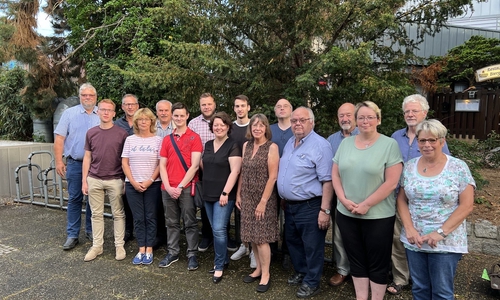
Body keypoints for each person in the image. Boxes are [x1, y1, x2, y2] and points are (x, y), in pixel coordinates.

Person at [397, 119, 475, 300]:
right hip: (414, 240)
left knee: (441, 292)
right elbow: (401, 200)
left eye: (432, 140)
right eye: (422, 140)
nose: (427, 145)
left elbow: (467, 205)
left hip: (444, 243)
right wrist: (409, 228)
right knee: (419, 289)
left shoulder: (458, 167)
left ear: (442, 141)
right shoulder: (409, 167)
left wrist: (440, 232)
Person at [332, 101, 402, 300]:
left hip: (378, 216)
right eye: (361, 117)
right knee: (356, 260)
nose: (365, 121)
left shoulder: (389, 145)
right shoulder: (345, 144)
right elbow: (335, 175)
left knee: (377, 263)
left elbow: (391, 183)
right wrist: (343, 200)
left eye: (370, 117)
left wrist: (366, 204)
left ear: (378, 120)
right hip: (347, 213)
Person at [388, 94, 450, 295]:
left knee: (425, 241)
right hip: (400, 198)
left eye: (414, 110)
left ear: (424, 112)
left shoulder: (434, 138)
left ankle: (423, 280)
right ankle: (400, 278)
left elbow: (446, 166)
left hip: (427, 203)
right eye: (407, 111)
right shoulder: (395, 137)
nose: (410, 114)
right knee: (398, 240)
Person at [277, 107, 333, 298]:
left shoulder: (321, 145)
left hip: (310, 205)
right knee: (293, 241)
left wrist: (325, 210)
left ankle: (312, 282)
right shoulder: (291, 142)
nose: (297, 124)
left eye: (302, 120)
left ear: (312, 122)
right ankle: (301, 271)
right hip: (290, 205)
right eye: (294, 121)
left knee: (312, 245)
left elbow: (327, 180)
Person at [82, 99, 129, 262]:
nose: (106, 113)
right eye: (103, 110)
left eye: (109, 110)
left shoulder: (122, 134)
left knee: (118, 214)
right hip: (94, 178)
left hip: (115, 179)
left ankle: (119, 245)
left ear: (114, 114)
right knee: (96, 214)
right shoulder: (91, 133)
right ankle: (97, 246)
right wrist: (84, 181)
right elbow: (87, 157)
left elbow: (125, 159)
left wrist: (124, 180)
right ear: (97, 112)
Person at [54, 83, 99, 250]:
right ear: (80, 97)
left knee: (93, 199)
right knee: (74, 199)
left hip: (96, 165)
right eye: (84, 95)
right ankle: (72, 234)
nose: (87, 98)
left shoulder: (101, 114)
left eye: (91, 95)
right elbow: (59, 139)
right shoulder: (69, 114)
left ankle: (91, 230)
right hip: (75, 164)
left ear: (96, 97)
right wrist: (59, 161)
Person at [237, 114, 279, 293]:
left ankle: (266, 274)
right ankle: (258, 269)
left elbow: (273, 177)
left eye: (261, 125)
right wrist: (239, 194)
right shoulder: (246, 146)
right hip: (247, 197)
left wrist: (263, 202)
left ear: (266, 128)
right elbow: (242, 172)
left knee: (261, 238)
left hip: (264, 199)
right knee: (251, 236)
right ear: (250, 128)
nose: (257, 128)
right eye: (254, 125)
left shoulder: (272, 147)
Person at [159, 102, 202, 270]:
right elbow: (162, 164)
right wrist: (168, 186)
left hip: (186, 187)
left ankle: (192, 254)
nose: (178, 118)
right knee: (171, 222)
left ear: (187, 116)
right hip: (167, 188)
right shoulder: (167, 139)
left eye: (181, 115)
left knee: (190, 222)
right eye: (175, 115)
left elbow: (195, 166)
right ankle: (173, 252)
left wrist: (180, 186)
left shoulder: (194, 137)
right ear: (172, 117)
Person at [202, 112, 242, 284]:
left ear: (227, 127)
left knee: (218, 229)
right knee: (215, 229)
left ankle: (219, 266)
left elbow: (235, 171)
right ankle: (224, 259)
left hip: (224, 195)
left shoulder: (233, 145)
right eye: (215, 125)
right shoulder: (208, 144)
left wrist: (225, 193)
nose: (218, 127)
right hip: (207, 193)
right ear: (212, 127)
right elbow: (204, 166)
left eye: (222, 124)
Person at [122, 108, 163, 265]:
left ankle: (149, 249)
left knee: (151, 217)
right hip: (133, 185)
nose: (143, 122)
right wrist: (132, 181)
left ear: (152, 122)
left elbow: (161, 164)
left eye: (147, 119)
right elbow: (124, 162)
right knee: (138, 218)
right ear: (136, 122)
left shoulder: (158, 140)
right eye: (140, 119)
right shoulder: (130, 140)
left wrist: (150, 180)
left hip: (152, 185)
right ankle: (141, 249)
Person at [325, 102, 359, 287]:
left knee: (361, 236)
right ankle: (342, 269)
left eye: (348, 115)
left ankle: (360, 272)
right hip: (339, 196)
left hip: (362, 196)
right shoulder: (331, 140)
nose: (345, 119)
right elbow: (329, 170)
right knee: (339, 235)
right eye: (341, 116)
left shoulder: (365, 136)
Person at [188, 93, 216, 252]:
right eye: (203, 104)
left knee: (222, 202)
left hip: (221, 170)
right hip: (201, 169)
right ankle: (206, 235)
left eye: (209, 104)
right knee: (205, 203)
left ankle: (223, 235)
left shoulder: (221, 121)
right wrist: (201, 164)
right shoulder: (193, 124)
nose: (206, 107)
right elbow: (192, 148)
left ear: (214, 104)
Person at [270, 98, 294, 270]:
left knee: (289, 221)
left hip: (291, 183)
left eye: (285, 106)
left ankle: (287, 253)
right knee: (271, 218)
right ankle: (270, 251)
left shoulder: (298, 129)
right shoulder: (269, 130)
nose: (282, 108)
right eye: (278, 106)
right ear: (275, 111)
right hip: (270, 182)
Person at [229, 95, 253, 263]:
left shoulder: (254, 126)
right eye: (237, 106)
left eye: (242, 106)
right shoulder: (230, 127)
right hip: (231, 175)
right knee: (238, 215)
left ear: (248, 107)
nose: (240, 109)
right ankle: (244, 245)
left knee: (250, 215)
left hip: (250, 177)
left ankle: (254, 250)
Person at [115, 94, 140, 243]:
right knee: (126, 202)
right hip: (123, 168)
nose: (130, 107)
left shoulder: (144, 121)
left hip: (142, 168)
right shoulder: (117, 124)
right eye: (127, 104)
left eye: (133, 104)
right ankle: (128, 230)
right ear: (122, 107)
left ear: (137, 106)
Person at [154, 99, 174, 248]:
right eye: (161, 110)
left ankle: (173, 238)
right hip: (154, 172)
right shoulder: (151, 127)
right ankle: (160, 236)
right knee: (157, 207)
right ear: (157, 112)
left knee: (173, 208)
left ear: (171, 112)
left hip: (173, 172)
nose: (163, 113)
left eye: (166, 110)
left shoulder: (177, 127)